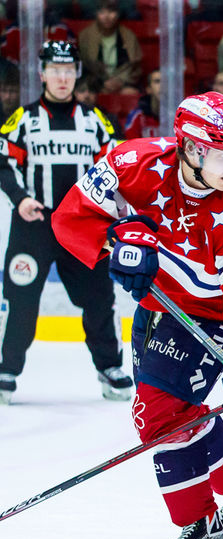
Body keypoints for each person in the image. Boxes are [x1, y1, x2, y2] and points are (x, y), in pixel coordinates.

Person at [50, 92, 223, 539]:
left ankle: (200, 531)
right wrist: (117, 240)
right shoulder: (131, 163)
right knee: (167, 414)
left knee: (156, 416)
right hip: (157, 305)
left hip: (211, 315)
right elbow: (69, 218)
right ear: (191, 149)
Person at [0, 42, 128, 406]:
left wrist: (109, 211)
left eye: (68, 70)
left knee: (100, 300)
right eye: (55, 70)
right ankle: (5, 369)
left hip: (82, 227)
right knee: (19, 299)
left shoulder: (95, 120)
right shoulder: (22, 119)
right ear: (41, 74)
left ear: (77, 74)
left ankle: (110, 367)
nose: (61, 77)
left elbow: (115, 167)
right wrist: (21, 199)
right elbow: (3, 163)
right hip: (34, 225)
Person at [77, 0, 143, 95]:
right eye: (102, 12)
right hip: (95, 84)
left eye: (111, 12)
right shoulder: (85, 36)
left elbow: (135, 68)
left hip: (124, 84)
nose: (107, 17)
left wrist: (120, 81)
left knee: (130, 93)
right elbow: (84, 67)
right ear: (95, 14)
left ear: (118, 14)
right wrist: (102, 83)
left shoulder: (129, 36)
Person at [123, 69, 161, 139]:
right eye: (157, 81)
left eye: (166, 81)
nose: (163, 85)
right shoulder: (138, 116)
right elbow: (130, 144)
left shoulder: (178, 114)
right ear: (149, 89)